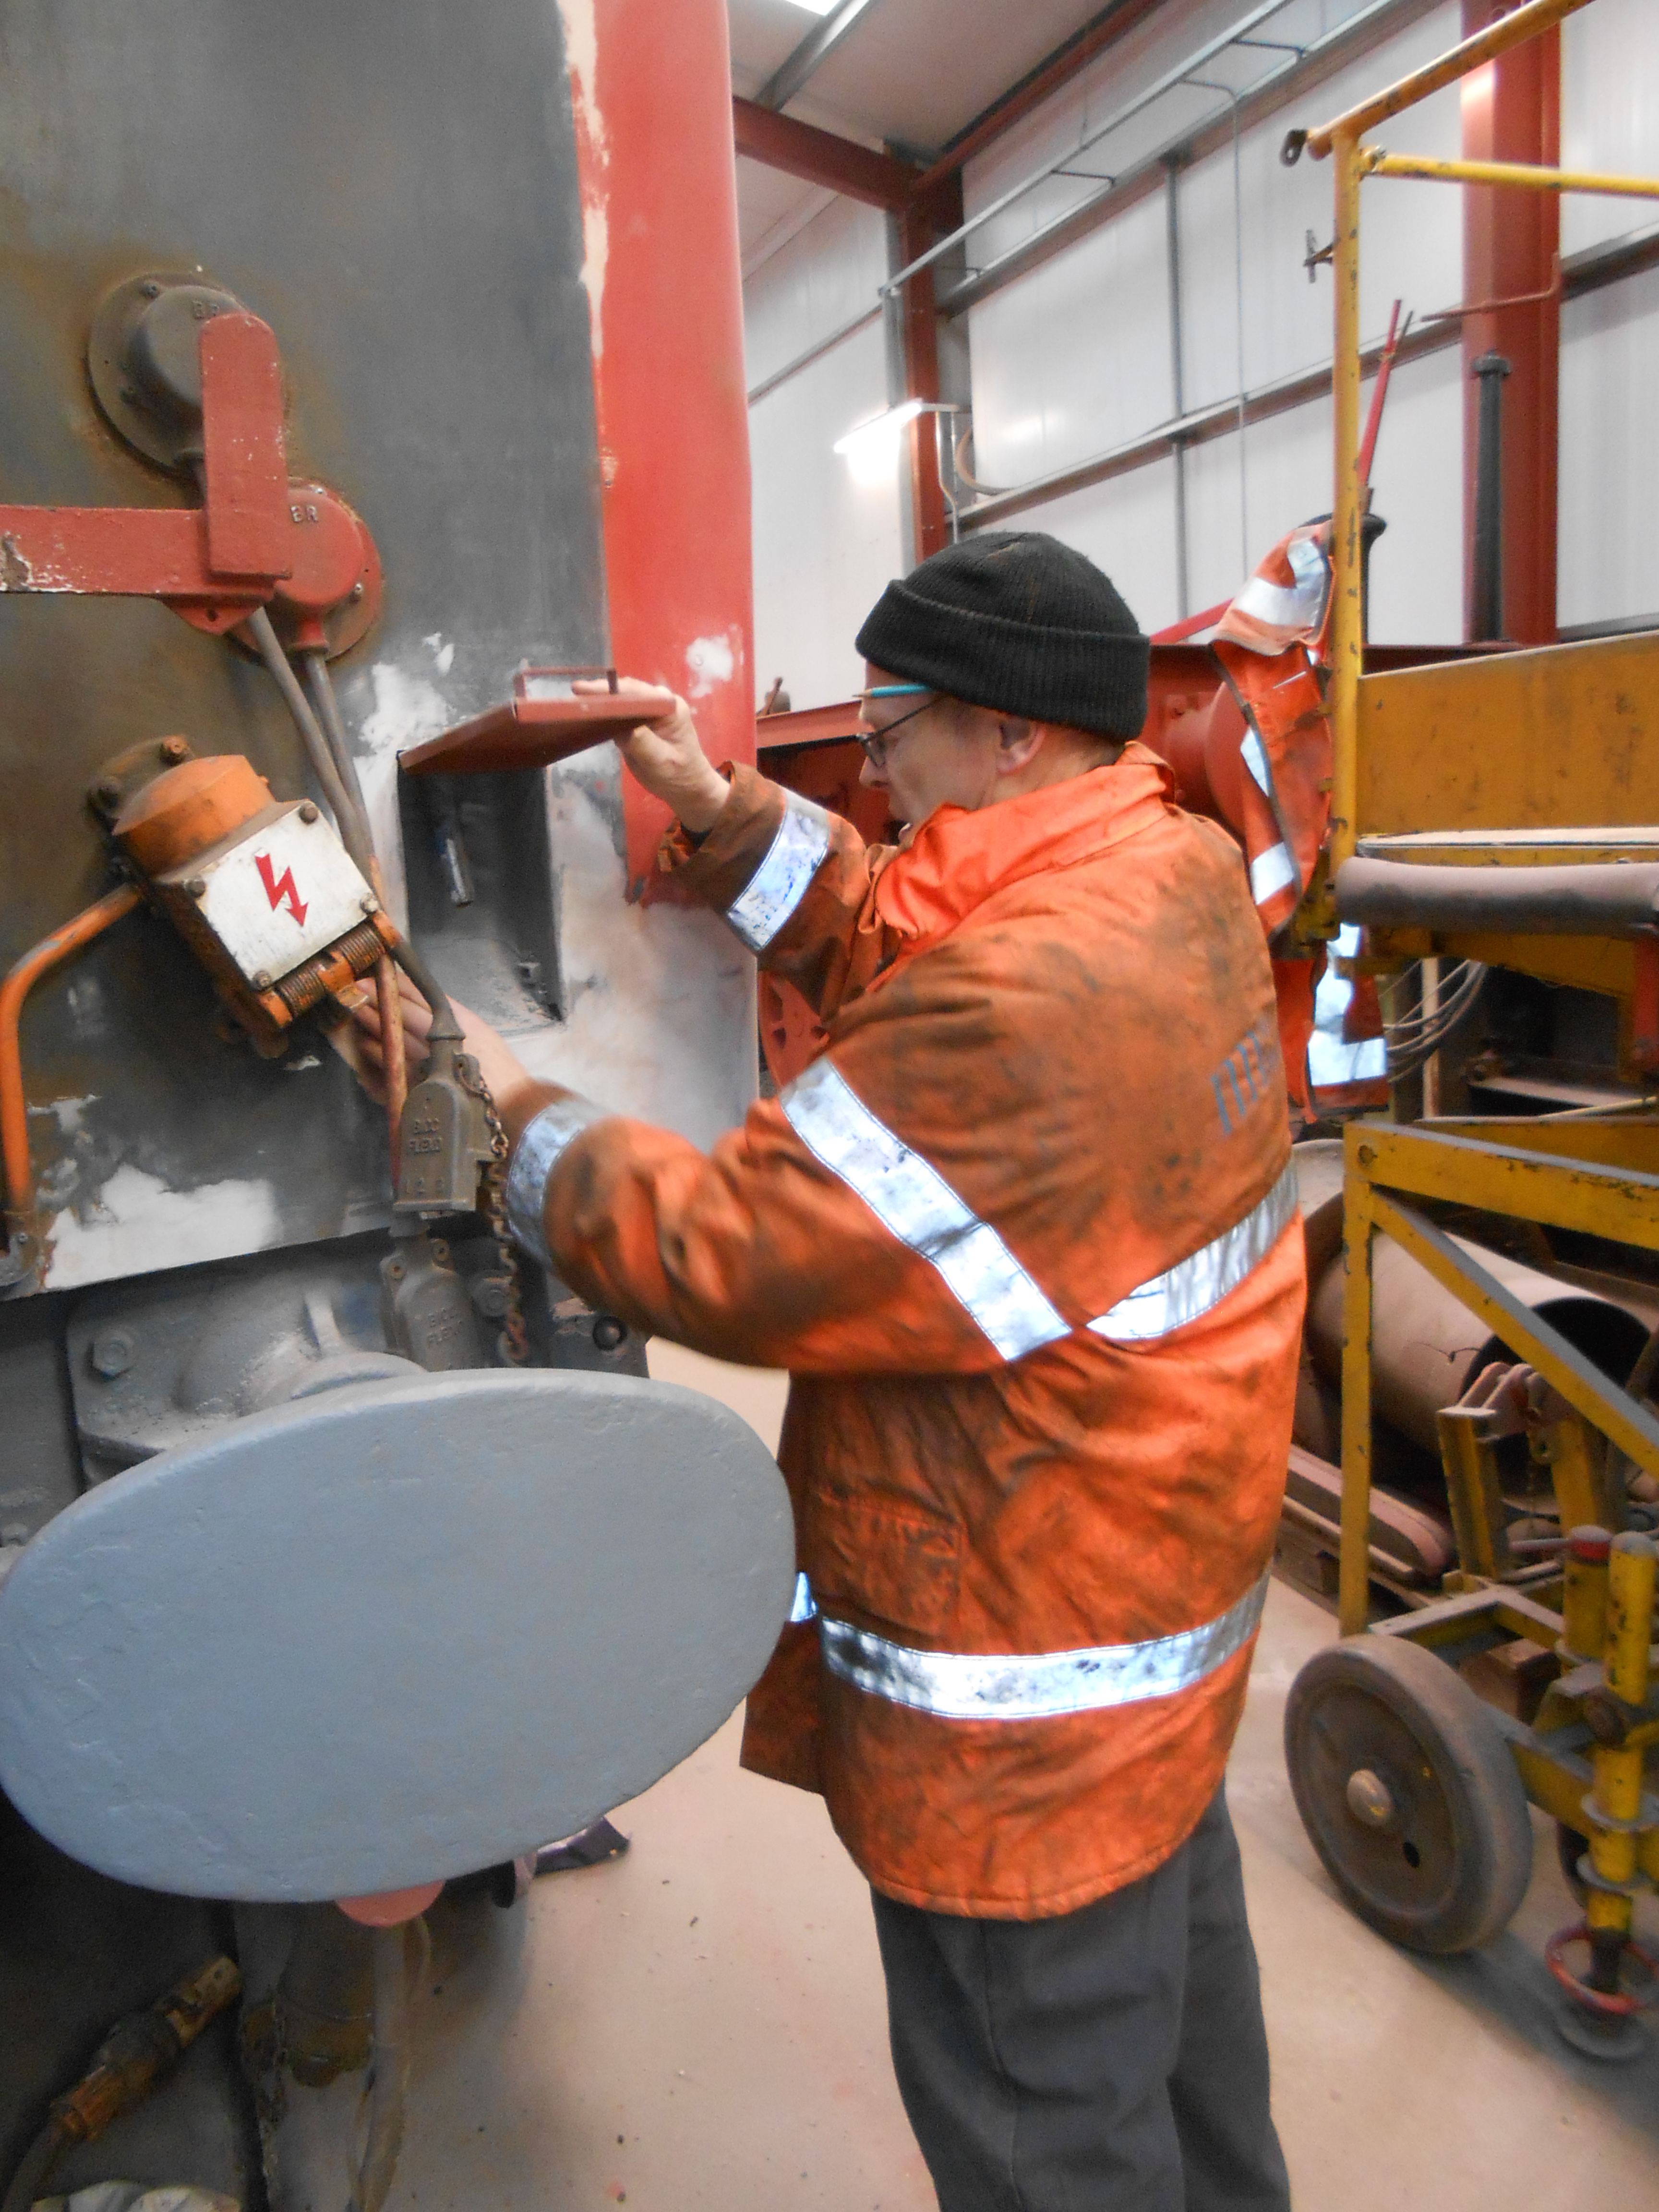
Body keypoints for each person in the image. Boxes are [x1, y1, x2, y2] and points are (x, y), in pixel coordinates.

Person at [359, 531, 1302, 2211]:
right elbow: (908, 938)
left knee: (1050, 2133)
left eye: (892, 730)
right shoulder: (1158, 870)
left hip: (1027, 1721)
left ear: (1010, 734)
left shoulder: (1033, 1000)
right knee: (1192, 2073)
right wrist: (728, 819)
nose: (873, 767)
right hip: (1150, 1677)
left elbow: (735, 1250)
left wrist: (505, 1109)